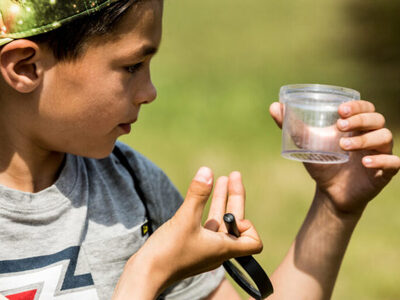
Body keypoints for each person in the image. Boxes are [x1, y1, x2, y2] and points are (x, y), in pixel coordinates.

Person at [0, 0, 398, 299]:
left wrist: (334, 208)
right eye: (132, 67)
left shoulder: (134, 187)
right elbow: (149, 273)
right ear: (25, 68)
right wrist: (149, 272)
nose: (150, 92)